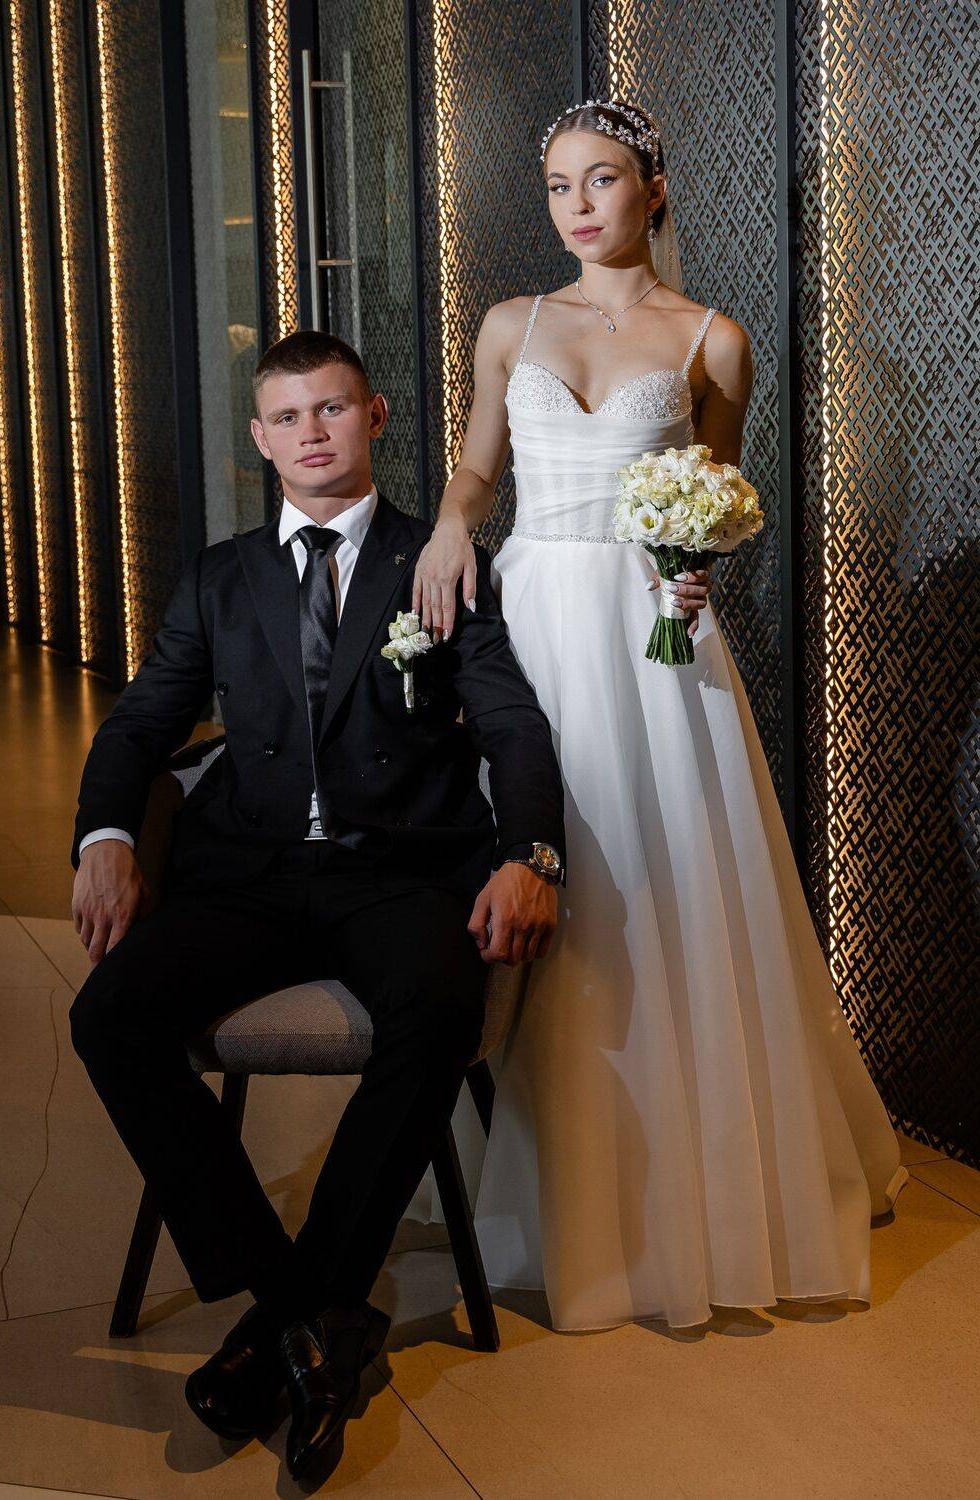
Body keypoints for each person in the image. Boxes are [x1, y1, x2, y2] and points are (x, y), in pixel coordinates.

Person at [413, 98, 906, 1332]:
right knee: (539, 862)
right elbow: (478, 464)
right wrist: (452, 524)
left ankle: (678, 1192)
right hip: (532, 618)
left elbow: (717, 500)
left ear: (653, 189)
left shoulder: (712, 340)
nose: (577, 206)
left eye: (601, 179)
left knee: (654, 883)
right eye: (557, 185)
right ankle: (529, 1164)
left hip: (651, 644)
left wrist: (699, 568)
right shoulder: (512, 323)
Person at [68, 330, 566, 1478]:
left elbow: (510, 724)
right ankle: (307, 1312)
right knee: (109, 1017)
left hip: (399, 869)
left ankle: (282, 1324)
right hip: (245, 871)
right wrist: (106, 837)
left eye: (332, 409)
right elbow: (140, 725)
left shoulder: (439, 560)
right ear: (260, 437)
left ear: (374, 416)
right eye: (288, 417)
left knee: (439, 1005)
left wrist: (530, 855)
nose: (312, 433)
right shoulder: (220, 575)